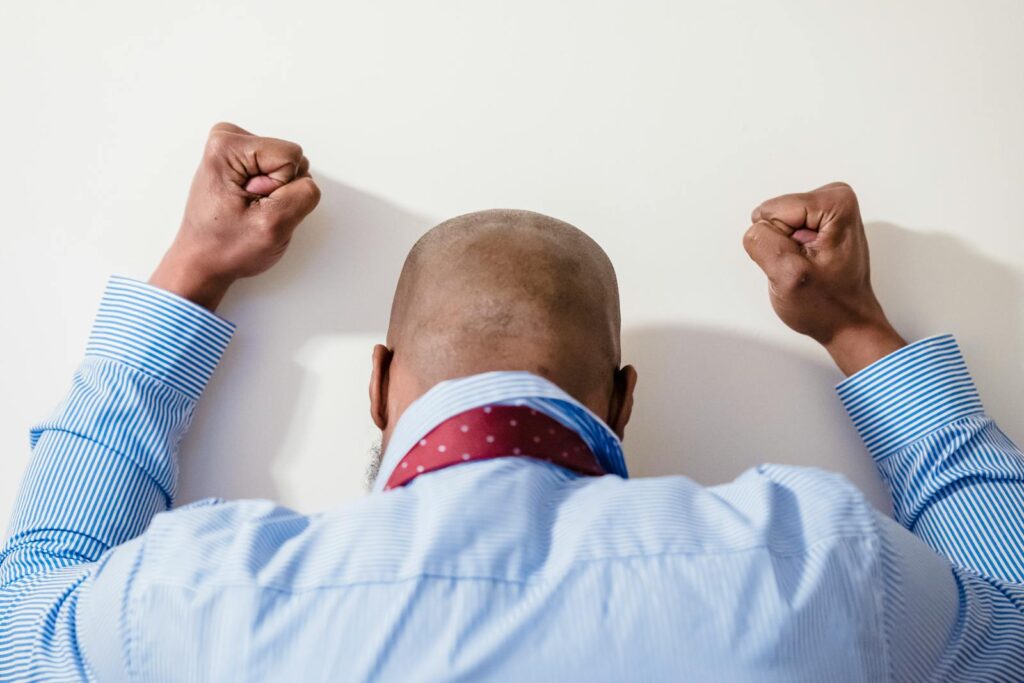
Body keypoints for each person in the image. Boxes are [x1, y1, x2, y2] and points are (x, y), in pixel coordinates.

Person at [1, 123, 1022, 682]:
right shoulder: (821, 563)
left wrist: (192, 272)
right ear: (620, 399)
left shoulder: (195, 595)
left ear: (377, 385)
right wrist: (858, 328)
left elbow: (22, 623)